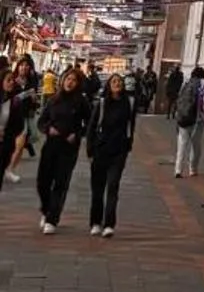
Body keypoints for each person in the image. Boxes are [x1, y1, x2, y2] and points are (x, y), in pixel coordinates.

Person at [36, 66, 92, 233]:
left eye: (74, 80)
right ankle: (46, 210)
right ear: (63, 80)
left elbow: (90, 123)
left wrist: (77, 134)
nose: (70, 82)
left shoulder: (82, 102)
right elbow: (41, 121)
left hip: (68, 148)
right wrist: (48, 129)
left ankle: (52, 219)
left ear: (78, 84)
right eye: (68, 79)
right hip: (51, 145)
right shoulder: (53, 99)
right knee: (43, 182)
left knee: (61, 182)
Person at [86, 74, 134, 238]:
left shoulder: (128, 103)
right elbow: (92, 127)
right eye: (114, 82)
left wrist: (128, 146)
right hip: (101, 150)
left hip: (119, 151)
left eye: (120, 82)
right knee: (98, 189)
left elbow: (130, 126)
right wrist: (90, 150)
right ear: (109, 85)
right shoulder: (101, 103)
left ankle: (109, 224)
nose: (117, 84)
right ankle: (95, 222)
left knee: (113, 186)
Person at [173, 64, 204, 179]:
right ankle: (193, 169)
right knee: (196, 146)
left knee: (182, 145)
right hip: (196, 120)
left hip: (183, 118)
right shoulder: (202, 85)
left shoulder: (186, 84)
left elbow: (179, 100)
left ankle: (178, 170)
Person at [7, 57, 38, 181]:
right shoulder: (12, 80)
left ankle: (10, 170)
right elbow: (10, 99)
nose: (24, 67)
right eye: (21, 65)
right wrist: (26, 94)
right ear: (17, 66)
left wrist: (34, 100)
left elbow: (33, 103)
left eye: (27, 65)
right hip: (8, 117)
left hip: (23, 117)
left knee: (20, 146)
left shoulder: (31, 82)